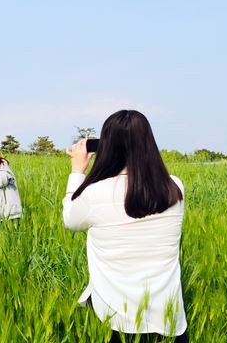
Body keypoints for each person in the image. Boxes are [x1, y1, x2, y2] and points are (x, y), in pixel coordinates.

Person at [63, 110, 188, 342]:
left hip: (115, 322)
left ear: (106, 148)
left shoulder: (94, 193)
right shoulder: (175, 187)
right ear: (149, 143)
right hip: (169, 322)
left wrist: (77, 172)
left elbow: (70, 220)